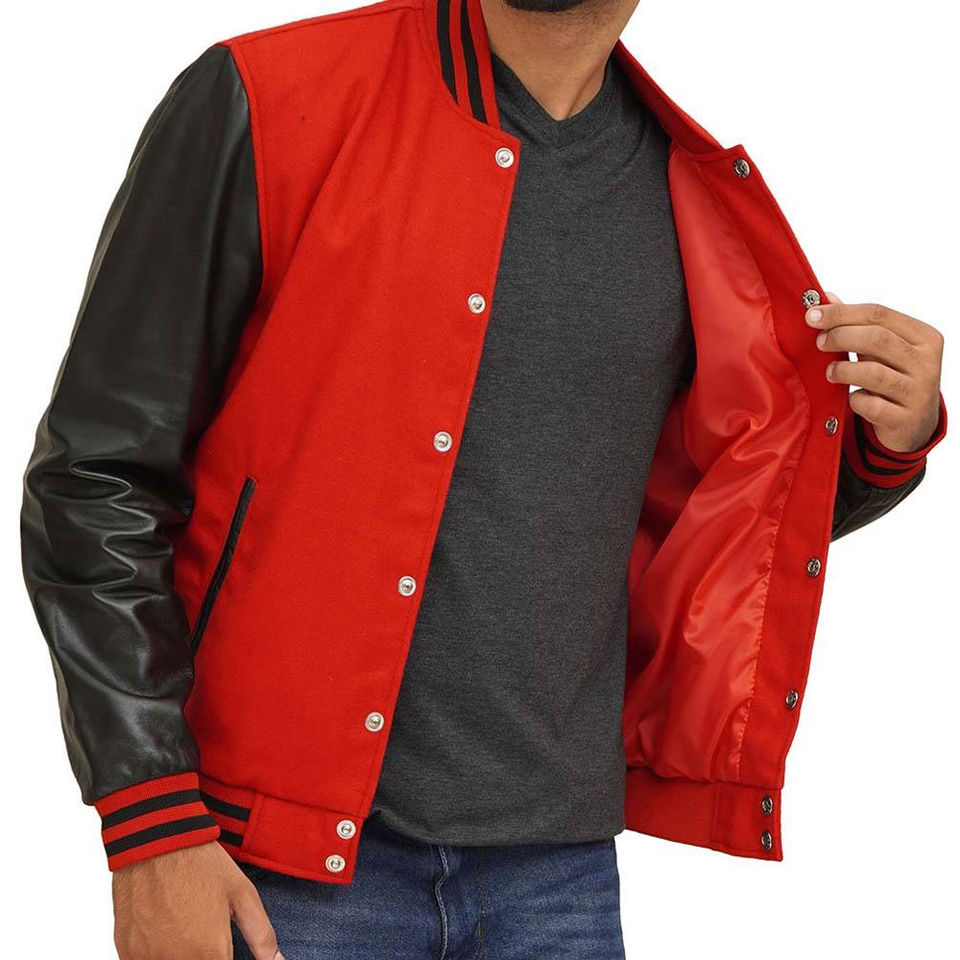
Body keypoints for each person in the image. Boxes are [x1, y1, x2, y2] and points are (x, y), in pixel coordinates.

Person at [20, 0, 947, 957]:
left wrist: (885, 439)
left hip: (559, 877)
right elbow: (96, 478)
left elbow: (718, 522)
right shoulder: (267, 98)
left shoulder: (692, 195)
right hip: (275, 865)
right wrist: (153, 827)